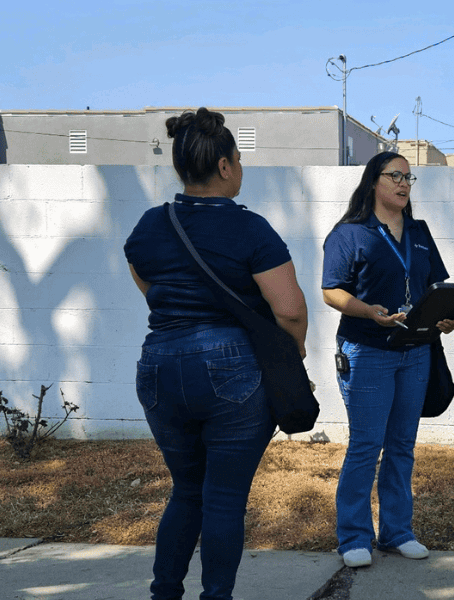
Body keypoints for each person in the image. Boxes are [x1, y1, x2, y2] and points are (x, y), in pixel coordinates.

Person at [124, 107, 308, 600]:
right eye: (239, 160)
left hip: (160, 364)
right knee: (223, 497)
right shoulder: (250, 229)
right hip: (231, 371)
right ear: (225, 167)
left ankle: (164, 593)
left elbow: (149, 284)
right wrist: (294, 357)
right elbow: (288, 310)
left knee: (186, 490)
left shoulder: (149, 224)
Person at [321, 151, 454, 569]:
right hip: (367, 352)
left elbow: (435, 283)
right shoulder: (350, 233)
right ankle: (353, 537)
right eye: (395, 175)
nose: (403, 183)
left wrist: (443, 316)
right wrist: (369, 311)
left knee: (402, 445)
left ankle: (396, 532)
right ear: (373, 181)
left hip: (415, 351)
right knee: (366, 445)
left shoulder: (419, 231)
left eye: (409, 178)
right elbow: (332, 291)